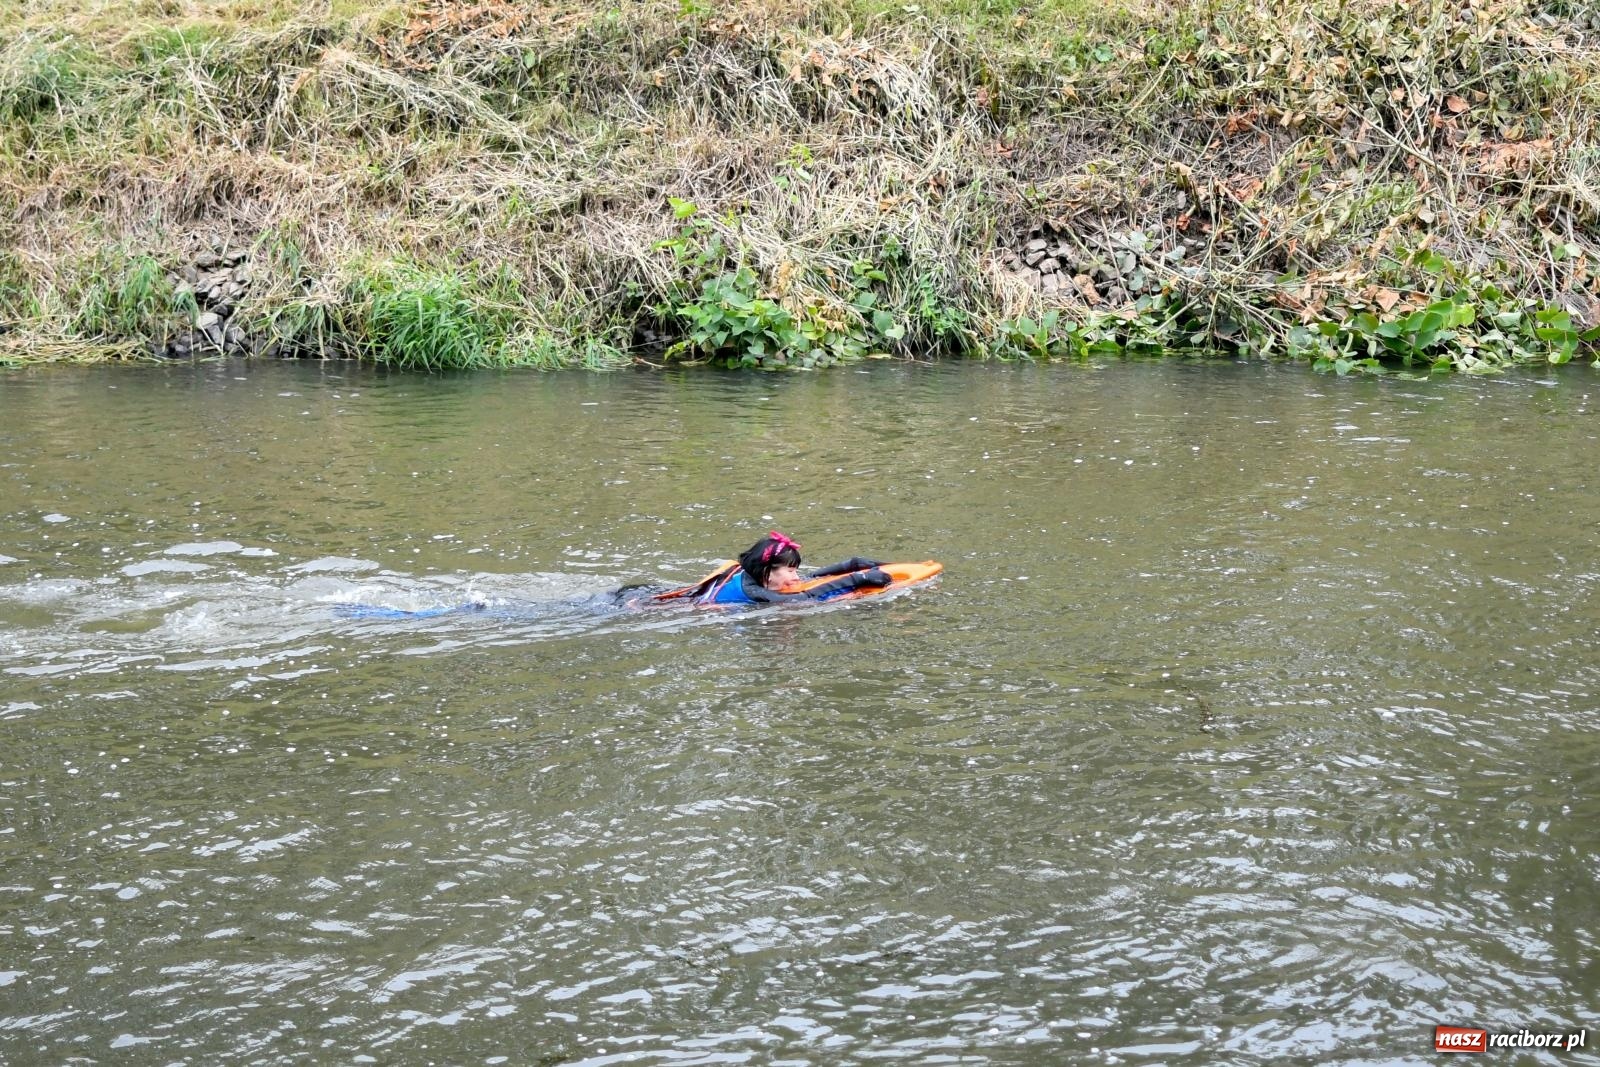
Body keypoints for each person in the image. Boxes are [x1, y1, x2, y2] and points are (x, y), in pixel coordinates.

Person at [696, 531, 892, 606]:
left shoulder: (754, 575)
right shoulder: (756, 594)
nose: (796, 577)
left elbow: (809, 580)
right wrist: (857, 578)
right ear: (768, 571)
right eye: (790, 571)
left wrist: (851, 564)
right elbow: (803, 597)